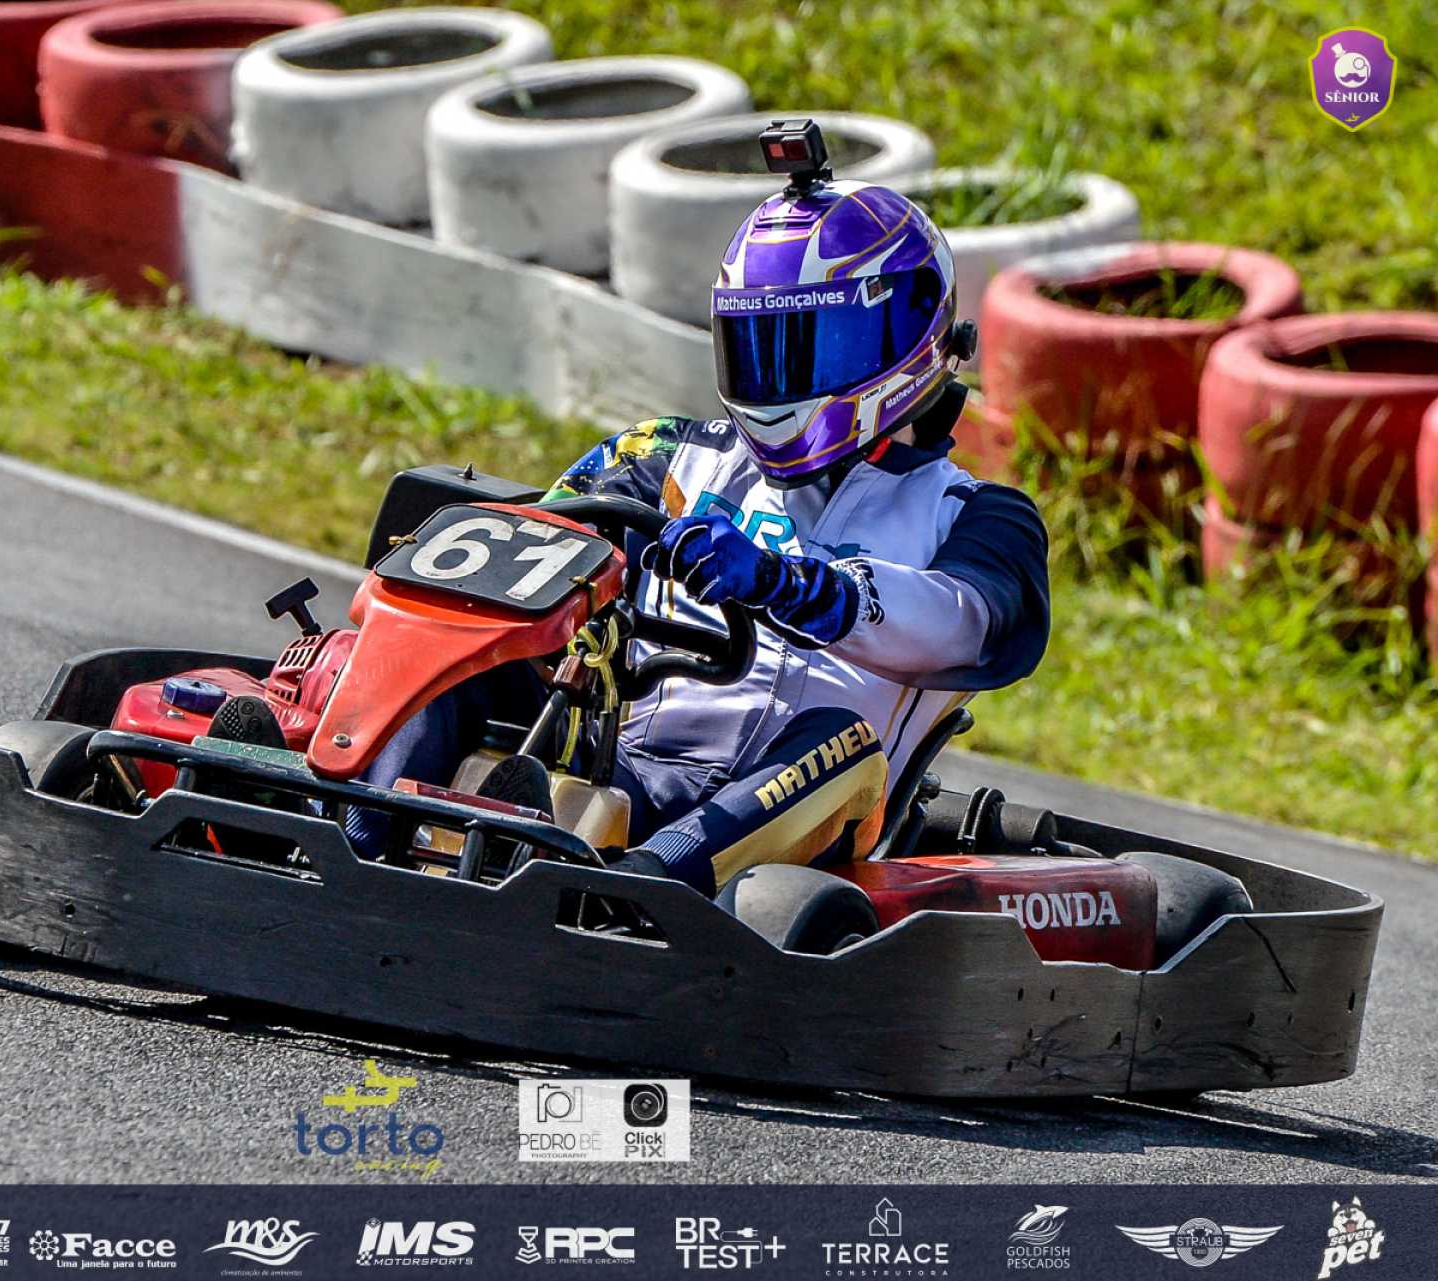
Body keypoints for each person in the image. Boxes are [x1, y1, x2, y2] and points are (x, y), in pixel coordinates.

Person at [346, 155, 1049, 897]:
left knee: (841, 741)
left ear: (900, 339)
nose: (775, 378)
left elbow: (964, 624)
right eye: (758, 347)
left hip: (793, 817)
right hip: (617, 758)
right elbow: (532, 554)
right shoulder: (667, 456)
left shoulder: (973, 514)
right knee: (468, 634)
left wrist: (793, 585)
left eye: (805, 347)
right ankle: (357, 828)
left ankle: (641, 887)